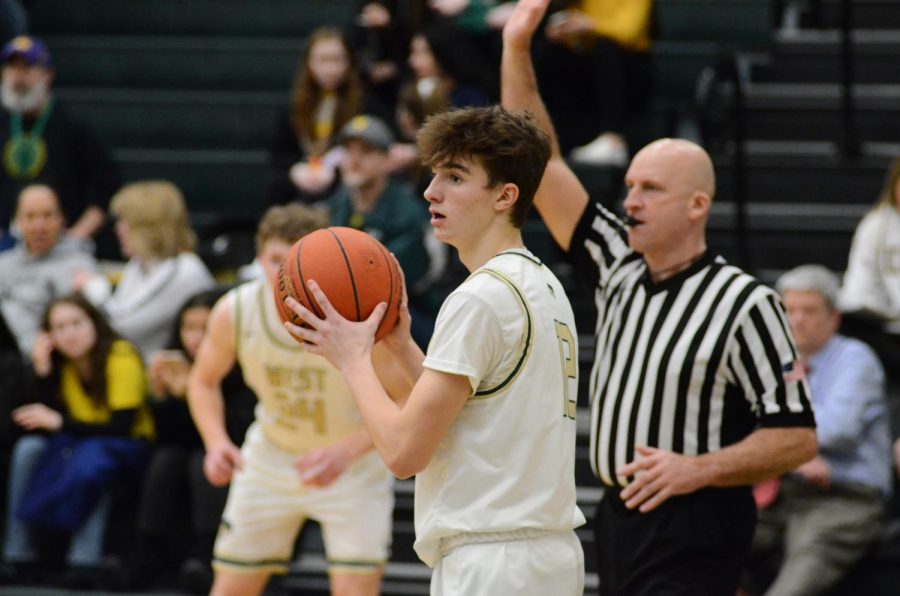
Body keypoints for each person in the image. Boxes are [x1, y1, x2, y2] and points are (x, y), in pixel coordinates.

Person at [499, 1, 817, 594]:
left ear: (697, 205)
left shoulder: (744, 301)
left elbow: (796, 437)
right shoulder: (617, 260)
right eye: (629, 187)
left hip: (696, 521)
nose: (631, 202)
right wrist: (516, 48)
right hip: (617, 517)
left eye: (650, 189)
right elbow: (542, 162)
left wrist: (698, 468)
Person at [284, 104, 586, 595]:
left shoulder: (479, 297)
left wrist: (354, 360)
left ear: (504, 196)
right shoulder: (541, 282)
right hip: (543, 556)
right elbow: (474, 407)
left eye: (455, 177)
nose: (431, 191)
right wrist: (402, 348)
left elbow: (404, 453)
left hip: (495, 561)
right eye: (433, 175)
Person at [187, 204, 397, 596]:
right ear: (257, 258)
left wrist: (346, 452)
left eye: (294, 262)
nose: (282, 275)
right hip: (270, 458)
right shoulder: (234, 310)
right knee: (230, 587)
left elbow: (405, 398)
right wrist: (215, 442)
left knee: (356, 589)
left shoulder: (357, 313)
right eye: (274, 261)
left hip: (353, 464)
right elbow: (202, 381)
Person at [741, 265, 891, 596]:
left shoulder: (855, 358)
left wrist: (780, 446)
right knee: (710, 542)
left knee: (791, 587)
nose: (797, 320)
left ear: (833, 317)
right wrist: (790, 458)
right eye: (790, 310)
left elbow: (838, 428)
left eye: (809, 311)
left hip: (843, 497)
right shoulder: (778, 361)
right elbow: (745, 423)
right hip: (783, 493)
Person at [1, 294, 152, 588]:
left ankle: (85, 560)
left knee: (92, 461)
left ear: (94, 323)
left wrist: (59, 423)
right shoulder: (63, 364)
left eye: (76, 323)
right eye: (59, 327)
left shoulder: (120, 355)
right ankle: (18, 555)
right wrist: (43, 372)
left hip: (129, 446)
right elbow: (40, 423)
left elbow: (121, 427)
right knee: (28, 449)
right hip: (81, 444)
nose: (69, 333)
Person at [132, 289, 255, 593]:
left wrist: (193, 392)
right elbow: (167, 437)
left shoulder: (245, 365)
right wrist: (163, 397)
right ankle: (146, 554)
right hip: (179, 459)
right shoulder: (171, 363)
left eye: (205, 327)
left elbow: (240, 430)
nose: (195, 337)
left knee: (204, 460)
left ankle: (204, 556)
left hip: (232, 457)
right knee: (167, 458)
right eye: (189, 328)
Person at [0, 35, 120, 251]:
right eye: (12, 69)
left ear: (48, 75)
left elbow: (107, 187)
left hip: (63, 245)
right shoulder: (4, 123)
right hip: (8, 245)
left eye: (27, 68)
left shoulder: (74, 126)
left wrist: (77, 235)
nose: (18, 77)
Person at [328, 114, 437, 344]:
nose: (354, 160)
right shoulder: (334, 206)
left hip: (410, 309)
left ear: (387, 160)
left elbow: (384, 280)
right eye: (348, 151)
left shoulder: (408, 215)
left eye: (365, 152)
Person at [81, 180, 215, 361]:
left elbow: (120, 326)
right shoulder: (139, 264)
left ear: (148, 226)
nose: (118, 229)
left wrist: (93, 287)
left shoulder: (185, 269)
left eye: (125, 221)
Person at [266, 28, 382, 206]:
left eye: (337, 60)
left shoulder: (364, 104)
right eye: (323, 60)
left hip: (344, 182)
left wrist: (336, 167)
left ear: (348, 63)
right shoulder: (292, 106)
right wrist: (296, 171)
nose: (330, 68)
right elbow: (280, 154)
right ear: (309, 63)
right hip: (303, 181)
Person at [534, 0, 654, 165]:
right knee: (547, 52)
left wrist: (590, 25)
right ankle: (540, 133)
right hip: (588, 57)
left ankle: (612, 138)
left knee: (605, 49)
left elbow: (629, 32)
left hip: (629, 63)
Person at [0, 184, 98, 357]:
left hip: (56, 359)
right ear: (17, 221)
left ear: (61, 219)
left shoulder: (79, 265)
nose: (39, 226)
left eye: (47, 215)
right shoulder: (4, 264)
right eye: (30, 216)